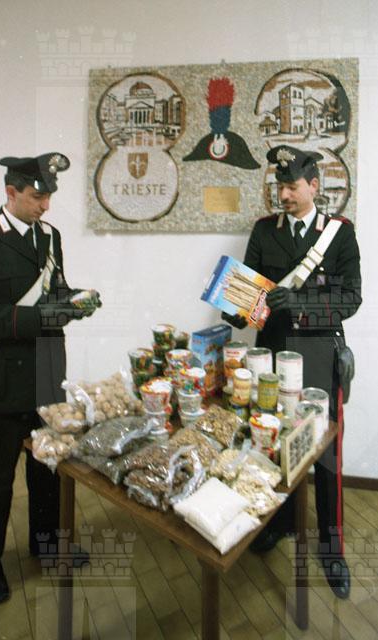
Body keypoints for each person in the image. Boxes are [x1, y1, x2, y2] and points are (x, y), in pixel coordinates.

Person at [0, 153, 102, 605]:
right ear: (11, 192)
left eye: (48, 197)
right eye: (37, 197)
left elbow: (54, 290)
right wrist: (39, 318)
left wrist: (75, 300)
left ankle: (48, 547)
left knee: (47, 472)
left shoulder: (50, 237)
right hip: (2, 381)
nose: (45, 206)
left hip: (46, 374)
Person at [222, 145, 362, 599]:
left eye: (291, 187)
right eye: (279, 186)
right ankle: (280, 520)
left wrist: (299, 304)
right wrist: (233, 307)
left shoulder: (339, 234)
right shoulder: (265, 230)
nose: (283, 195)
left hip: (320, 353)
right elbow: (248, 298)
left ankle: (332, 547)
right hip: (274, 354)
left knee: (326, 455)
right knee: (275, 441)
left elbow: (350, 299)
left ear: (314, 186)